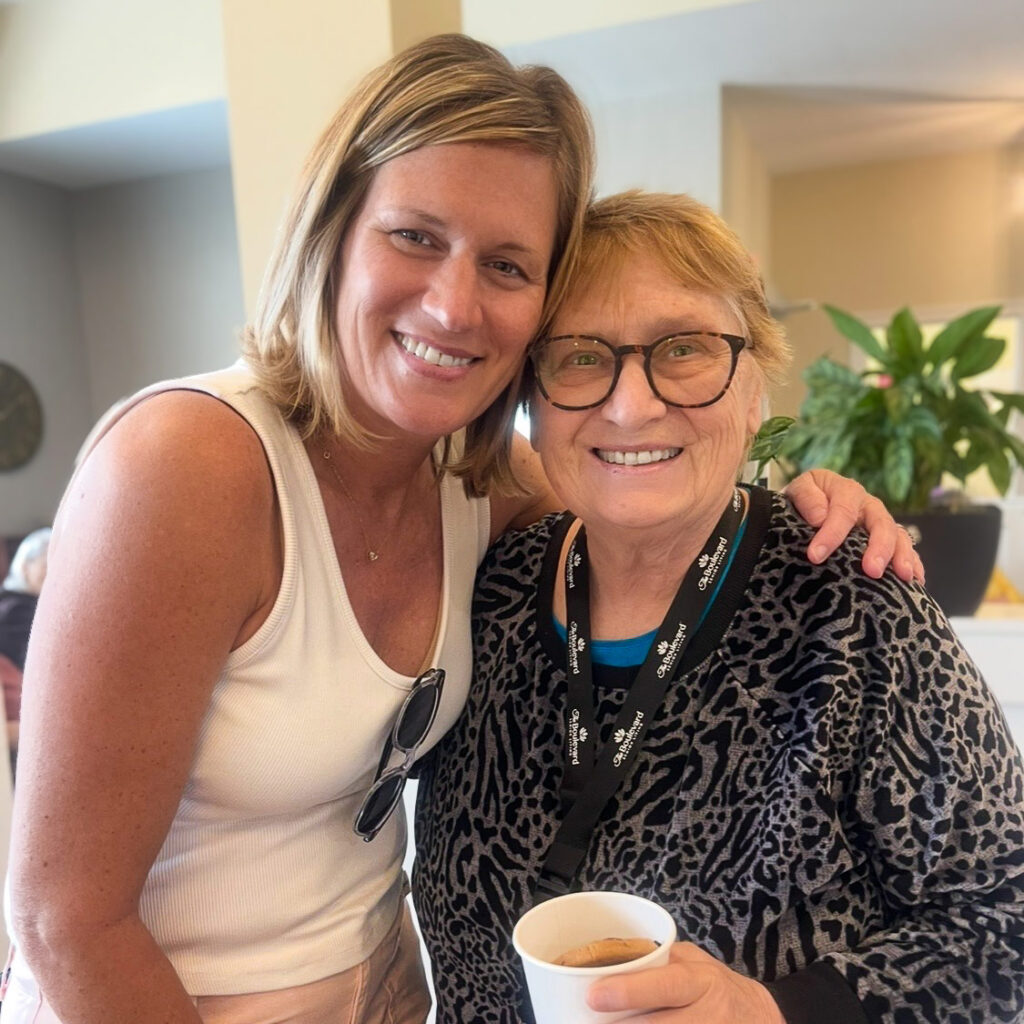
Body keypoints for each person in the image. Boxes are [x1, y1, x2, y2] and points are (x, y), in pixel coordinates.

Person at [4, 35, 918, 1024]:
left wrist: (796, 501)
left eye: (508, 263)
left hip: (391, 987)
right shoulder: (189, 465)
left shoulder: (481, 485)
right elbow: (63, 916)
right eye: (414, 236)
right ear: (334, 233)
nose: (454, 303)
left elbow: (641, 484)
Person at [412, 191, 1024, 1024]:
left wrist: (772, 1012)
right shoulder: (492, 586)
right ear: (533, 398)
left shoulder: (851, 603)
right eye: (581, 357)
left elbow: (1003, 918)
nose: (631, 405)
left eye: (686, 349)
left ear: (753, 385)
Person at [0, 528, 51, 767]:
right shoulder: (14, 609)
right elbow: (42, 667)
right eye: (46, 563)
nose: (54, 572)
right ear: (24, 566)